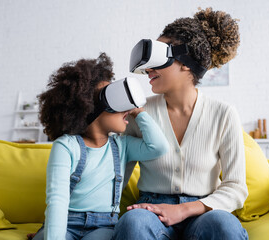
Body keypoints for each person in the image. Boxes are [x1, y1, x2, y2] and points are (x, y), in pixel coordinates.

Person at [113, 8, 249, 240]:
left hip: (204, 210)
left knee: (223, 224)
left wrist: (184, 209)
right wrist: (66, 227)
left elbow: (236, 187)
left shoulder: (223, 114)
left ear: (186, 63)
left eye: (157, 59)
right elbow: (115, 179)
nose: (148, 69)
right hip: (151, 211)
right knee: (134, 224)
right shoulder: (138, 112)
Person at [30, 53, 169, 240]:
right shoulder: (66, 146)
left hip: (103, 226)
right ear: (89, 108)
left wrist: (139, 112)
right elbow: (57, 201)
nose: (125, 107)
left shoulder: (122, 146)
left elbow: (158, 147)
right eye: (113, 98)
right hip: (67, 223)